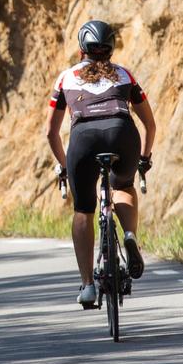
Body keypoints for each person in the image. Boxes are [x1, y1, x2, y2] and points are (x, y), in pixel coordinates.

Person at [45, 19, 157, 309]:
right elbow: (150, 124)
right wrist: (144, 158)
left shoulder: (66, 77)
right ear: (111, 47)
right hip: (123, 133)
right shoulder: (124, 75)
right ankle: (129, 234)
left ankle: (87, 286)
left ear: (82, 46)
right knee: (123, 184)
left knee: (83, 209)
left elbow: (51, 131)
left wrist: (62, 164)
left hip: (83, 139)